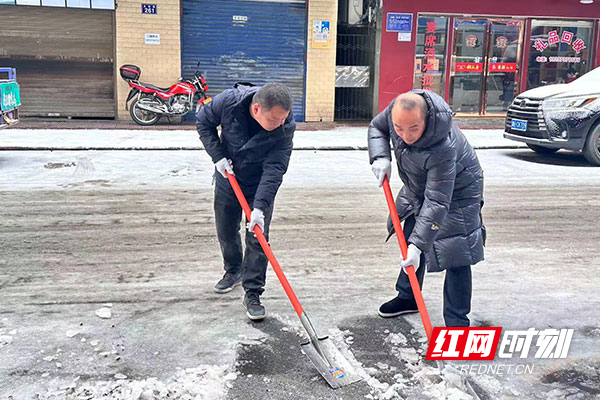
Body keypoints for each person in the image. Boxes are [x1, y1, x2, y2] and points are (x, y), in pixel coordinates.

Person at [368, 90, 485, 327]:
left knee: (456, 251)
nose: (405, 135)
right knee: (410, 236)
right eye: (399, 128)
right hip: (420, 186)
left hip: (458, 193)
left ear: (427, 118)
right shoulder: (396, 111)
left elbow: (438, 201)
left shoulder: (443, 145)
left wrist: (419, 246)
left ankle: (457, 323)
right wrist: (381, 157)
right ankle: (408, 297)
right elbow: (376, 127)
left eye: (413, 128)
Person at [196, 82, 295, 321]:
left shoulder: (284, 126)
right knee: (226, 230)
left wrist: (260, 207)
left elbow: (275, 168)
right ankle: (233, 271)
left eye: (284, 119)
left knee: (258, 238)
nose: (280, 124)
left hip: (260, 183)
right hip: (228, 177)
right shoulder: (229, 102)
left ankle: (253, 292)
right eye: (274, 120)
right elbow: (203, 122)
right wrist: (217, 157)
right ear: (257, 109)